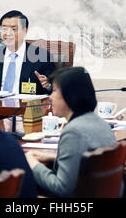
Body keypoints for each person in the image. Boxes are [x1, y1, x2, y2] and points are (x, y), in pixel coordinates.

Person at [25, 67, 116, 197]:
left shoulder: (74, 132)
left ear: (69, 94)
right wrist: (53, 157)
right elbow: (89, 162)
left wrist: (33, 164)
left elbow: (61, 188)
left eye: (54, 91)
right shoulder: (99, 122)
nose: (50, 97)